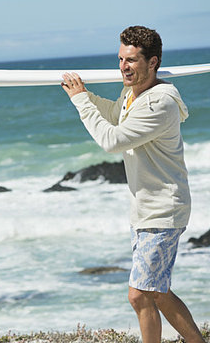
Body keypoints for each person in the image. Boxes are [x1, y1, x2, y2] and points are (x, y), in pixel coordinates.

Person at [60, 26, 205, 343]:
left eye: (132, 61)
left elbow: (111, 140)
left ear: (153, 62)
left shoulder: (159, 104)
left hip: (163, 210)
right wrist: (84, 92)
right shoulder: (133, 94)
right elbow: (115, 114)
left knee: (140, 295)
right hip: (144, 208)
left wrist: (81, 101)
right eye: (121, 59)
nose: (124, 67)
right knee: (158, 292)